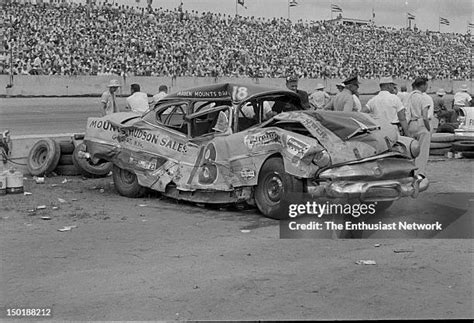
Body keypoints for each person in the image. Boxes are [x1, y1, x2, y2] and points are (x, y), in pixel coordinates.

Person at [404, 77, 431, 186]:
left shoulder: (409, 96)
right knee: (422, 150)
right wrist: (428, 128)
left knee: (411, 150)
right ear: (423, 85)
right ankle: (419, 174)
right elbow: (425, 116)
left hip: (410, 123)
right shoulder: (423, 98)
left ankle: (409, 172)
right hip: (420, 123)